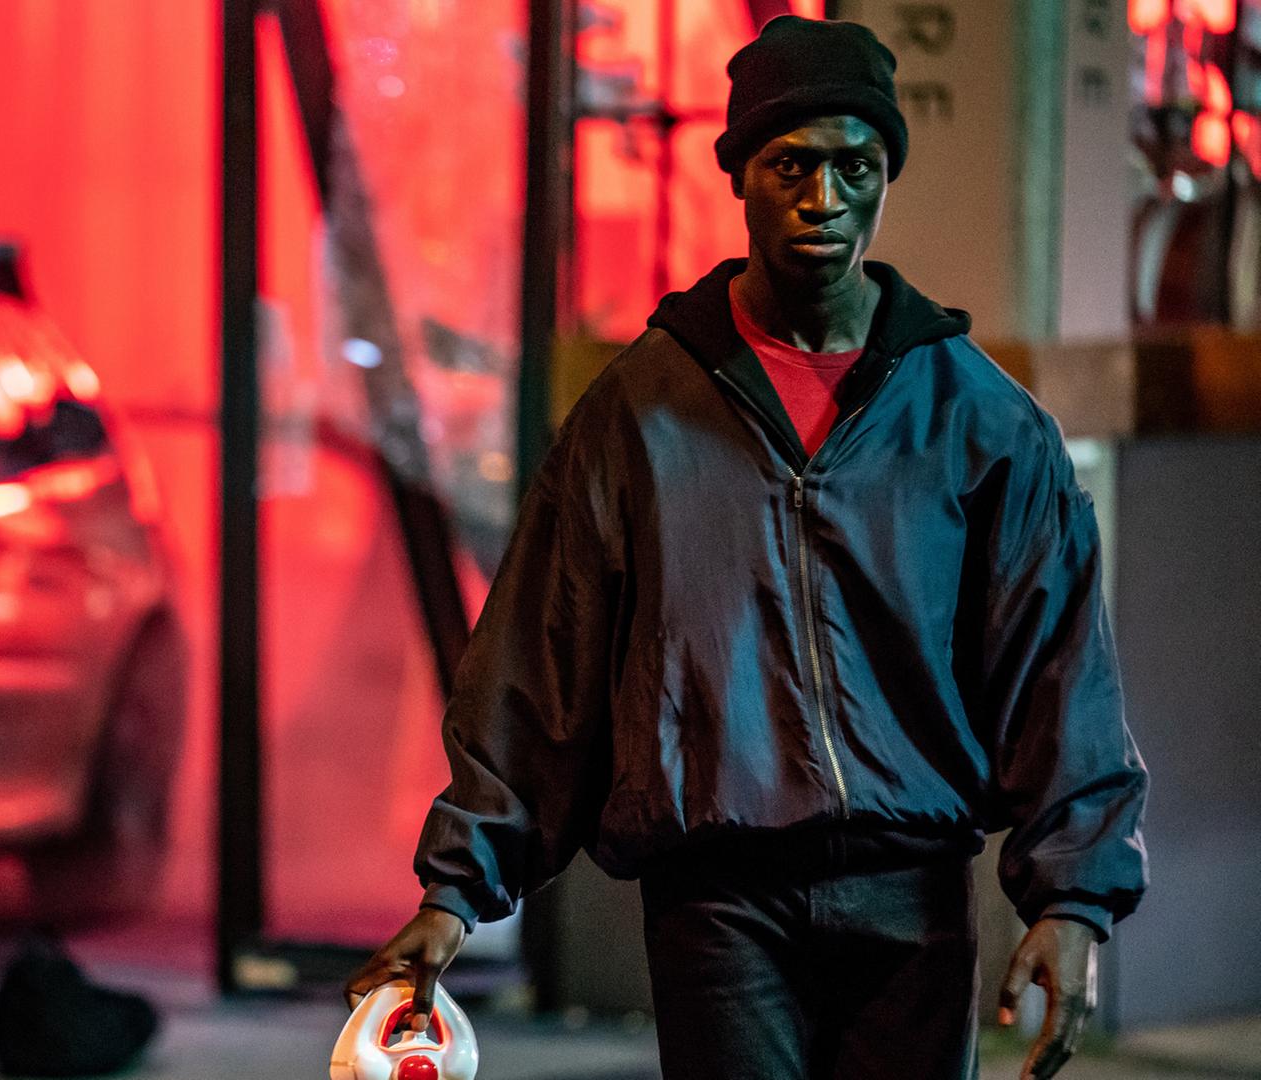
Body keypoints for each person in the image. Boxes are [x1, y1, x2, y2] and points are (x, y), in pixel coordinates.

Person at [345, 15, 1148, 1080]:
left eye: (855, 166)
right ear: (740, 175)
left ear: (885, 177)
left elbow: (1058, 672)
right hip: (717, 905)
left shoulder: (978, 422)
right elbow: (542, 664)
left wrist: (1074, 899)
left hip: (913, 898)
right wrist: (457, 891)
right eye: (791, 166)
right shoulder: (639, 414)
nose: (824, 200)